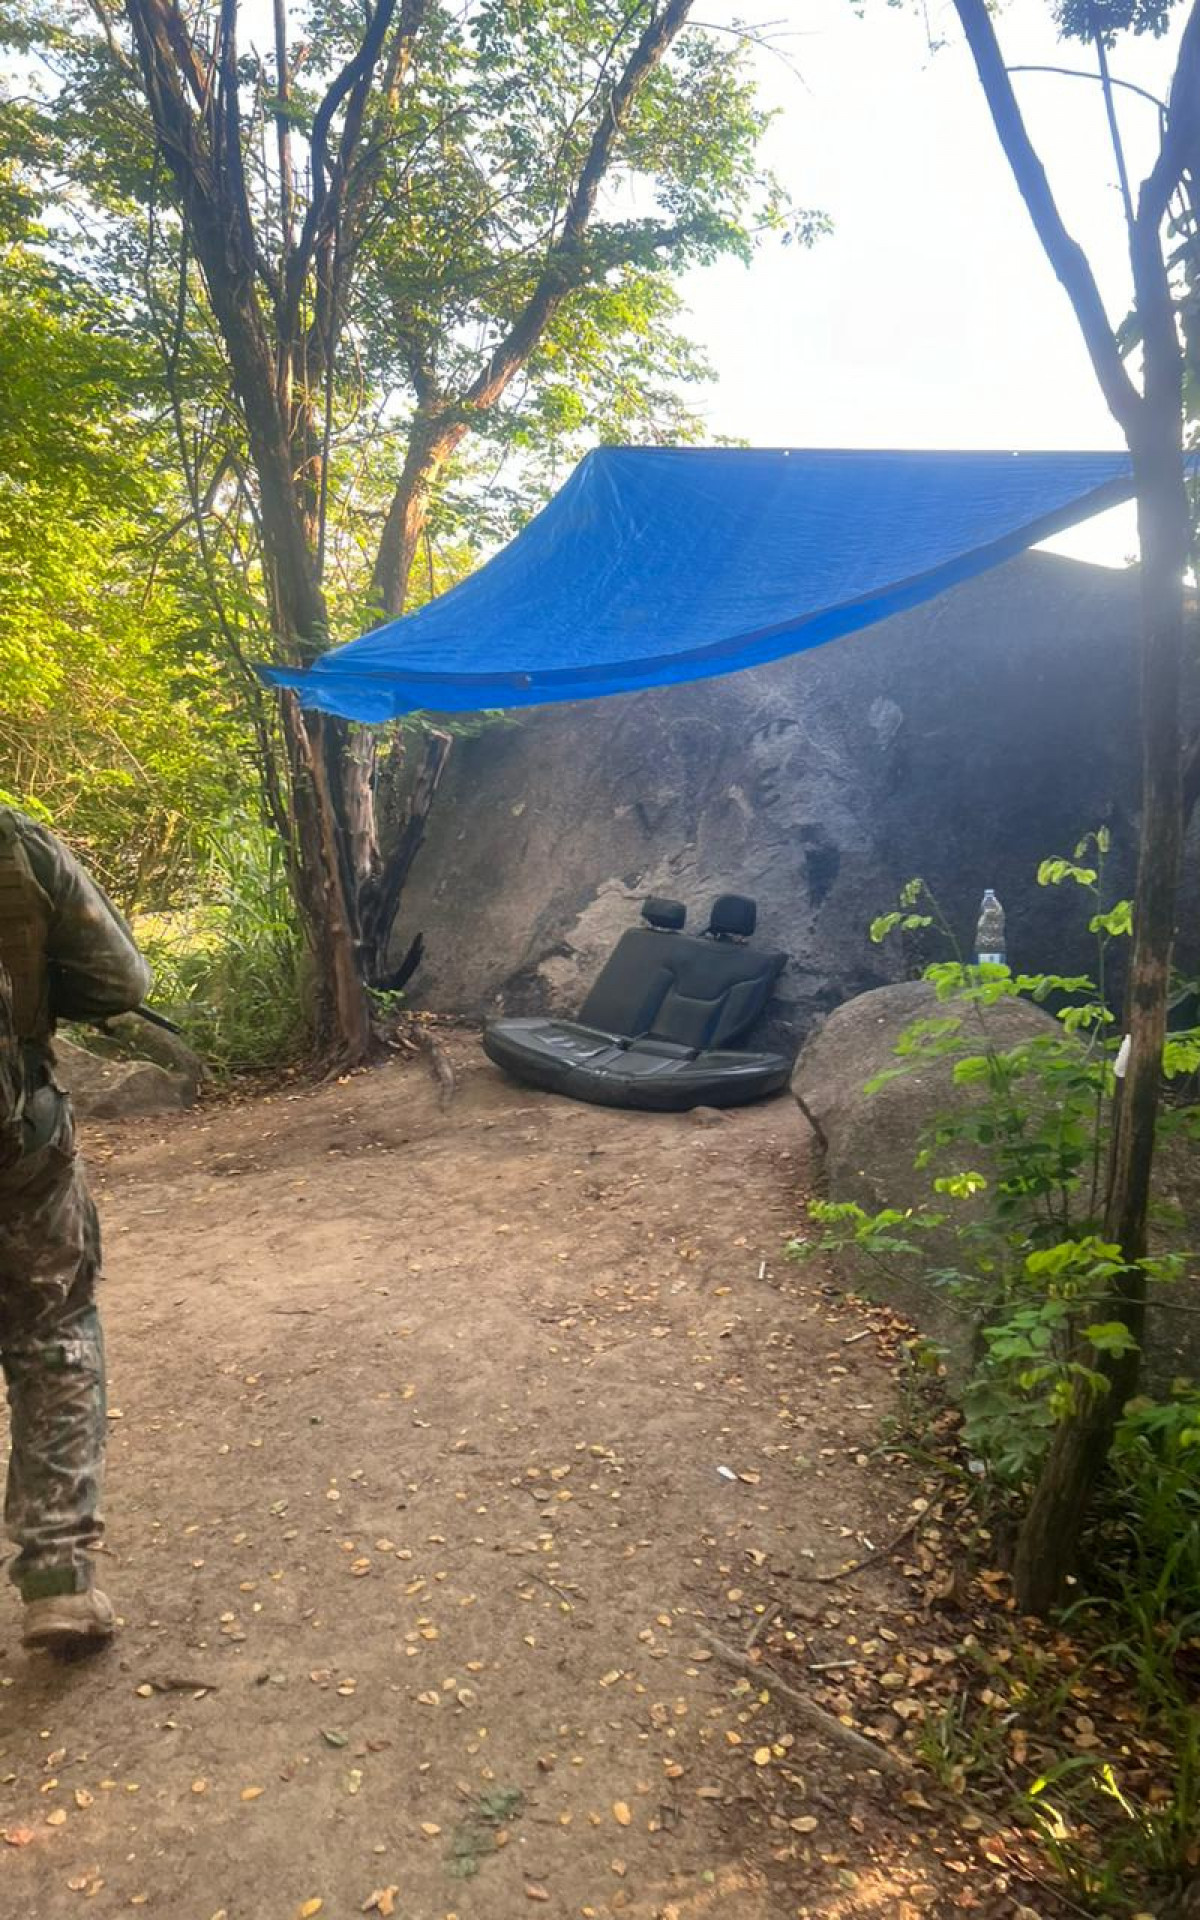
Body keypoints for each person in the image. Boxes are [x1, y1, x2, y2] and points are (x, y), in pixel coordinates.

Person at [0, 807, 150, 1652]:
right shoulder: (14, 844)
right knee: (53, 1321)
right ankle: (58, 1575)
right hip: (16, 1141)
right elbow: (119, 983)